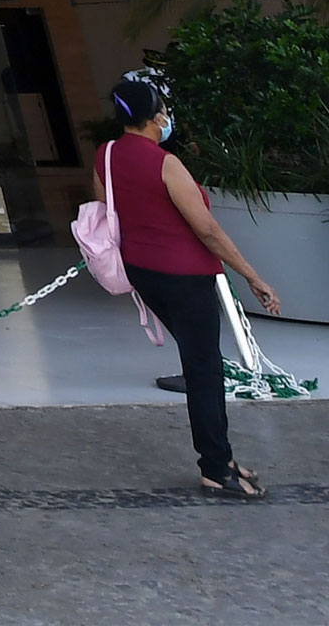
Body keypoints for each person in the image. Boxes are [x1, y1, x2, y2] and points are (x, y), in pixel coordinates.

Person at [100, 73, 284, 498]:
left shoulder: (106, 156)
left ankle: (220, 459)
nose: (168, 120)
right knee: (205, 370)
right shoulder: (166, 163)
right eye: (164, 113)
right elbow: (207, 230)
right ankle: (215, 467)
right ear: (153, 118)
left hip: (143, 272)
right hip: (185, 276)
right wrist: (252, 275)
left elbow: (110, 208)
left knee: (199, 361)